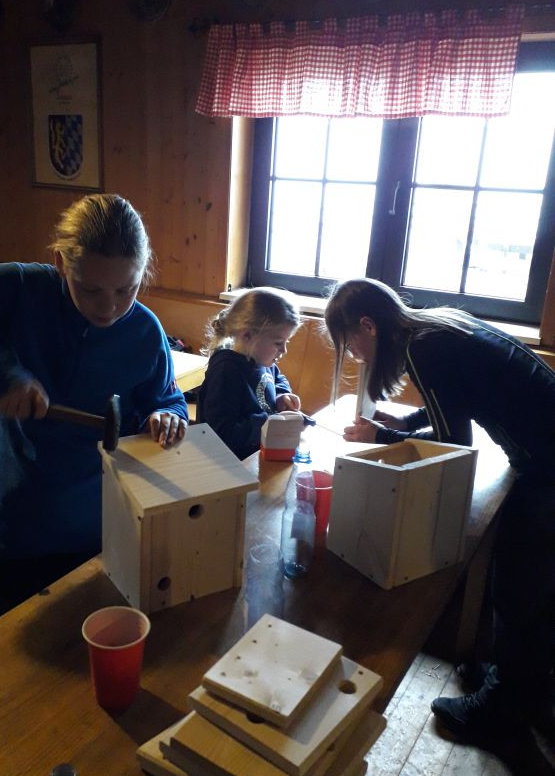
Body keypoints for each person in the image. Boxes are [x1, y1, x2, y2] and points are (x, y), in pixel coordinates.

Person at [0, 193, 188, 620]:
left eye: (127, 289)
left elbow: (166, 397)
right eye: (90, 288)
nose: (109, 307)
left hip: (107, 528)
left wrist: (169, 414)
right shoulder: (22, 291)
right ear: (61, 262)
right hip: (22, 533)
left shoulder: (144, 332)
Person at [324, 277, 555, 741]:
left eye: (350, 343)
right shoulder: (437, 324)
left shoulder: (422, 349)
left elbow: (453, 444)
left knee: (518, 585)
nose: (355, 356)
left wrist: (381, 437)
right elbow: (458, 399)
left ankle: (501, 708)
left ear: (367, 325)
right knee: (531, 585)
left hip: (546, 463)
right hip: (543, 448)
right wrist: (408, 419)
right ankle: (518, 684)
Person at [198, 287, 301, 459]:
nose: (284, 350)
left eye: (286, 342)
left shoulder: (262, 359)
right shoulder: (226, 372)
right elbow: (222, 434)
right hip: (230, 463)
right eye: (278, 343)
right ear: (247, 335)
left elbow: (277, 378)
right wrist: (269, 423)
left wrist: (282, 395)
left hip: (259, 453)